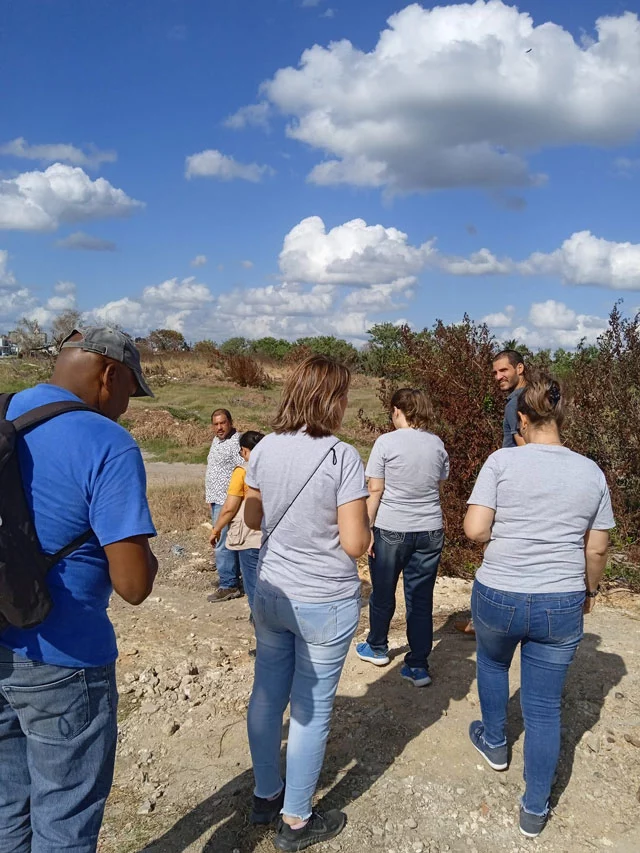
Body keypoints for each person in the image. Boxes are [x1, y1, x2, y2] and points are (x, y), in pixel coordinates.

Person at [0, 327, 158, 852]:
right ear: (109, 374)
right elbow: (133, 585)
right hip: (63, 658)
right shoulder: (107, 442)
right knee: (65, 815)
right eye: (129, 394)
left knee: (7, 808)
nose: (126, 410)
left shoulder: (4, 411)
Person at [463, 376, 614, 839]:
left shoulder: (501, 461)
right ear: (560, 417)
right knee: (545, 707)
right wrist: (589, 591)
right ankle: (533, 808)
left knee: (491, 663)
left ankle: (495, 743)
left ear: (522, 419)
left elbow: (474, 530)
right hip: (561, 598)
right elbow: (597, 548)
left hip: (499, 590)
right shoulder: (590, 472)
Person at [243, 355, 370, 851]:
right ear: (333, 399)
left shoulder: (264, 449)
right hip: (324, 600)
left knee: (267, 695)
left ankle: (264, 794)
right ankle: (296, 821)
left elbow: (253, 519)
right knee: (311, 711)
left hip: (272, 592)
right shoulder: (343, 456)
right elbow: (356, 544)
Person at [355, 388, 449, 688]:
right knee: (420, 599)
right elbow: (439, 481)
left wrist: (366, 528)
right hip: (431, 529)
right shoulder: (437, 443)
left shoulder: (386, 442)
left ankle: (378, 647)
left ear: (397, 410)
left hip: (392, 528)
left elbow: (375, 490)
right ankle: (418, 665)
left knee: (383, 592)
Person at [456, 349, 528, 637]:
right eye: (495, 372)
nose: (498, 377)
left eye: (504, 371)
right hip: (516, 482)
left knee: (493, 550)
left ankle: (482, 619)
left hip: (513, 484)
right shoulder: (524, 399)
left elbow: (523, 443)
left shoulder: (517, 404)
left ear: (519, 368)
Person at [209, 430, 265, 611]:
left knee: (253, 581)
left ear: (245, 451)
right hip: (273, 533)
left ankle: (259, 619)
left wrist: (216, 529)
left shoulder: (242, 472)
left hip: (249, 535)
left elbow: (229, 508)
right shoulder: (277, 468)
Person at [205, 408, 242, 602]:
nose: (219, 427)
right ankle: (233, 578)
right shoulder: (217, 441)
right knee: (228, 541)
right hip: (216, 498)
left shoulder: (236, 442)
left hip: (227, 500)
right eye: (216, 424)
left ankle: (228, 584)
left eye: (223, 423)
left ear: (230, 422)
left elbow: (245, 467)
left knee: (221, 543)